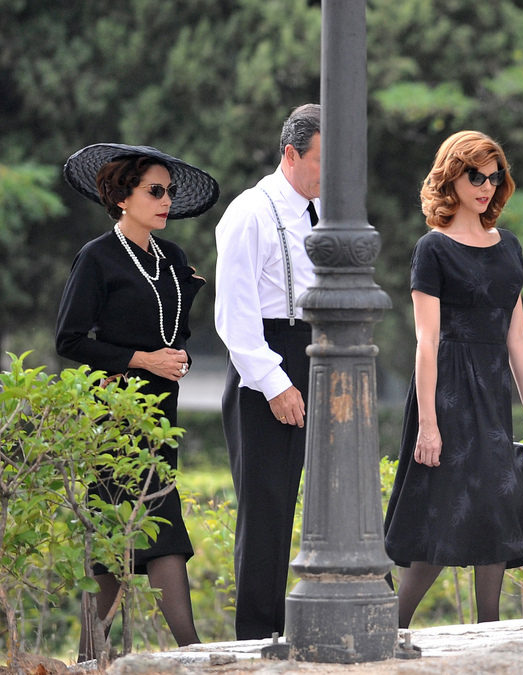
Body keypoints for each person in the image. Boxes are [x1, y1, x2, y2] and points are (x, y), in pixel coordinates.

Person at [57, 142, 219, 658]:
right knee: (137, 530)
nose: (165, 200)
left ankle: (89, 656)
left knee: (132, 535)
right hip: (114, 413)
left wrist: (175, 357)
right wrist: (144, 360)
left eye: (169, 192)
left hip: (159, 415)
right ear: (122, 197)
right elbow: (70, 340)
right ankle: (189, 652)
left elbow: (175, 333)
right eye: (155, 191)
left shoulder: (171, 258)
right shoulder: (97, 257)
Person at [383, 130, 523, 628]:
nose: (485, 186)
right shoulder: (431, 248)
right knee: (444, 510)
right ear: (450, 176)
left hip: (493, 387)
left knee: (497, 502)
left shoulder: (509, 246)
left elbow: (517, 335)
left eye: (493, 177)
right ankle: (391, 624)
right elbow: (426, 342)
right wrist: (428, 424)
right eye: (475, 175)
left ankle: (489, 628)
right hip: (447, 389)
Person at [214, 103, 320, 640]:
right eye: (323, 161)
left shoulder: (326, 210)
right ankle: (258, 638)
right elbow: (234, 317)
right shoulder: (249, 212)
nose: (331, 175)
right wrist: (276, 383)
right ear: (291, 153)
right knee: (267, 511)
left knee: (338, 497)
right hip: (267, 361)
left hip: (322, 353)